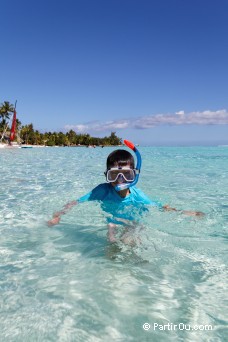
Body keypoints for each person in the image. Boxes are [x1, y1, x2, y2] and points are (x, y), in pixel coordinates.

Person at [48, 140, 204, 243]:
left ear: (134, 175)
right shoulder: (102, 191)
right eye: (115, 174)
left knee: (132, 240)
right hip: (112, 221)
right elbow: (76, 202)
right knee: (111, 238)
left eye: (126, 175)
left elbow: (161, 207)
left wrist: (186, 212)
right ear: (107, 175)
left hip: (134, 220)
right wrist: (57, 216)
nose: (120, 180)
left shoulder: (137, 196)